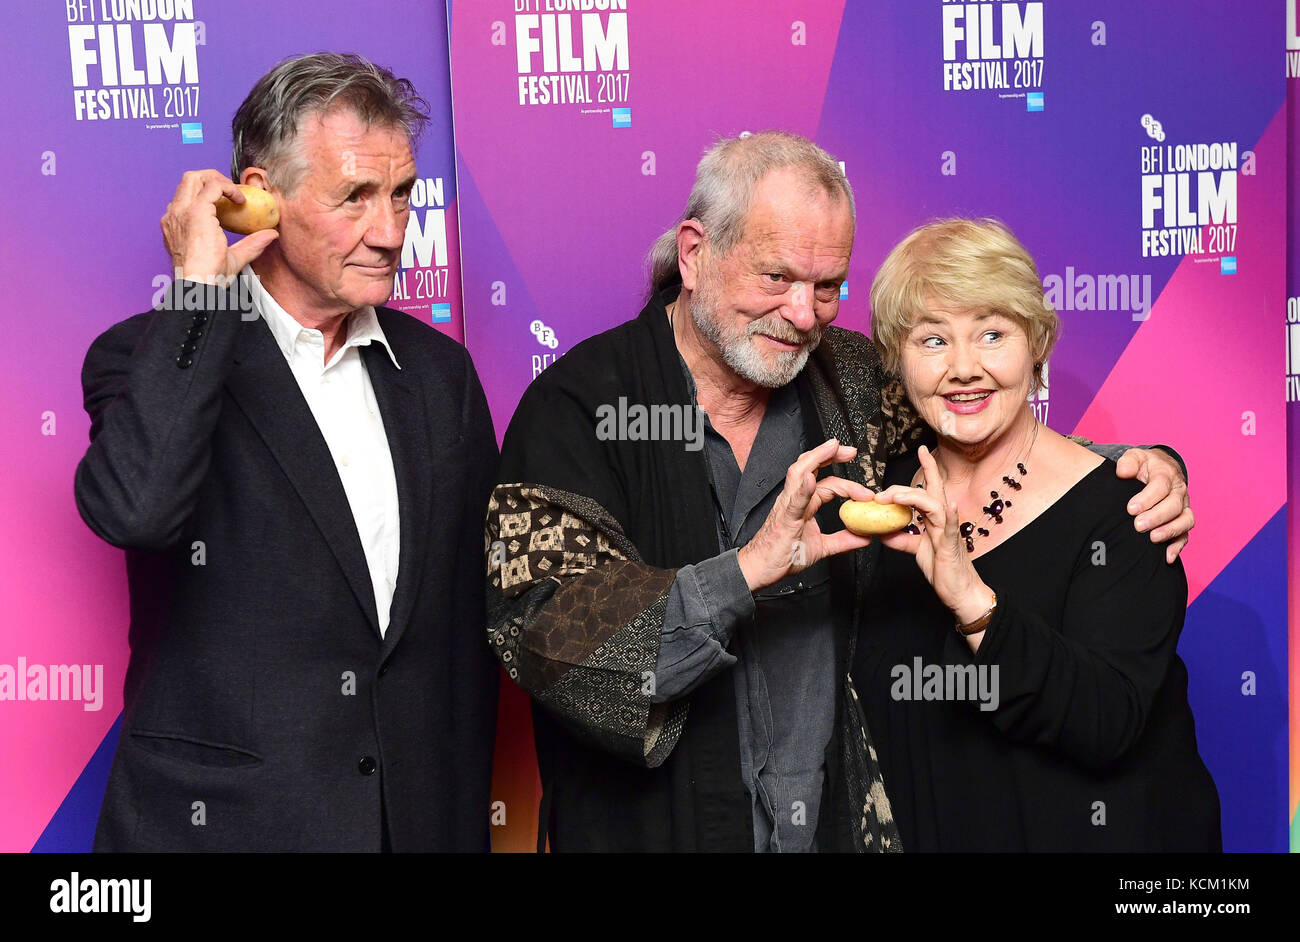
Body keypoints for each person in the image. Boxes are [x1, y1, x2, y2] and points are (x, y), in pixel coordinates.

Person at [485, 131, 1195, 852]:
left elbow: (976, 424)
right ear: (695, 254)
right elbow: (547, 638)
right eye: (776, 278)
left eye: (827, 287)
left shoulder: (849, 381)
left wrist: (1139, 467)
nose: (803, 315)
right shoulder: (579, 409)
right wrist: (743, 574)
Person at [75, 53, 499, 851]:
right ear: (259, 197)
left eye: (402, 194)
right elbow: (136, 509)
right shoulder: (147, 356)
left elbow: (462, 639)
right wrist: (200, 294)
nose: (391, 231)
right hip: (223, 829)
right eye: (355, 198)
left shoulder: (441, 376)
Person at [854, 218, 1221, 851]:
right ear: (896, 358)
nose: (964, 368)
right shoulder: (882, 500)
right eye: (933, 340)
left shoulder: (1128, 509)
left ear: (1037, 343)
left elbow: (1107, 723)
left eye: (992, 334)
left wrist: (972, 601)